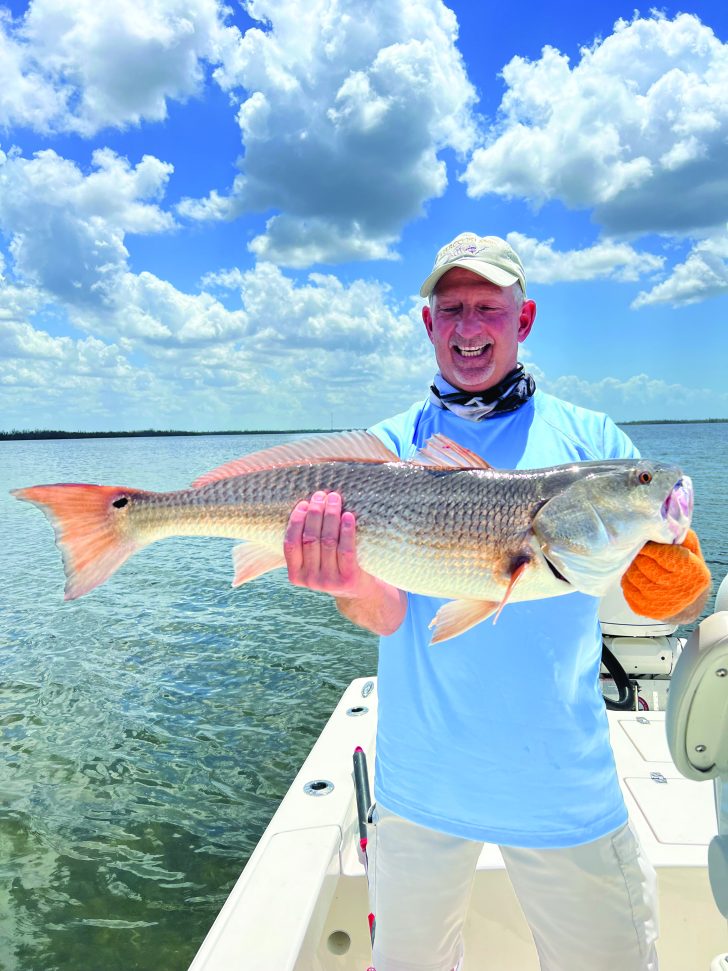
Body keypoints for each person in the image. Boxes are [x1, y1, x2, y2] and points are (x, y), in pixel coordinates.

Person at [281, 233, 699, 971]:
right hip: (420, 787)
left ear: (524, 319)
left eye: (487, 309)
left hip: (563, 787)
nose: (468, 328)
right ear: (429, 325)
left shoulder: (592, 441)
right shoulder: (390, 452)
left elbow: (662, 590)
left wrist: (669, 555)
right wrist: (346, 581)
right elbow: (389, 615)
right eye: (451, 310)